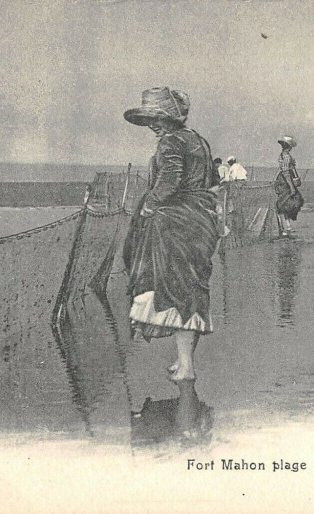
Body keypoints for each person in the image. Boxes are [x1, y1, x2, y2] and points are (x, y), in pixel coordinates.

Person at [122, 86, 221, 381]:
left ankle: (187, 368)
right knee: (192, 289)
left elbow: (170, 179)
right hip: (200, 221)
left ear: (170, 118)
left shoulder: (171, 142)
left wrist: (149, 206)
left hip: (175, 224)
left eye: (157, 118)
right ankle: (184, 361)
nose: (152, 125)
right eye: (149, 119)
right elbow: (213, 181)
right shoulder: (198, 140)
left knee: (176, 290)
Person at [274, 136, 304, 236]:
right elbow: (286, 172)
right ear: (289, 147)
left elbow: (282, 169)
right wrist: (291, 186)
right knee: (293, 201)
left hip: (282, 180)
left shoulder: (282, 155)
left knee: (285, 203)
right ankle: (285, 226)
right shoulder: (286, 156)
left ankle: (287, 226)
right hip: (285, 181)